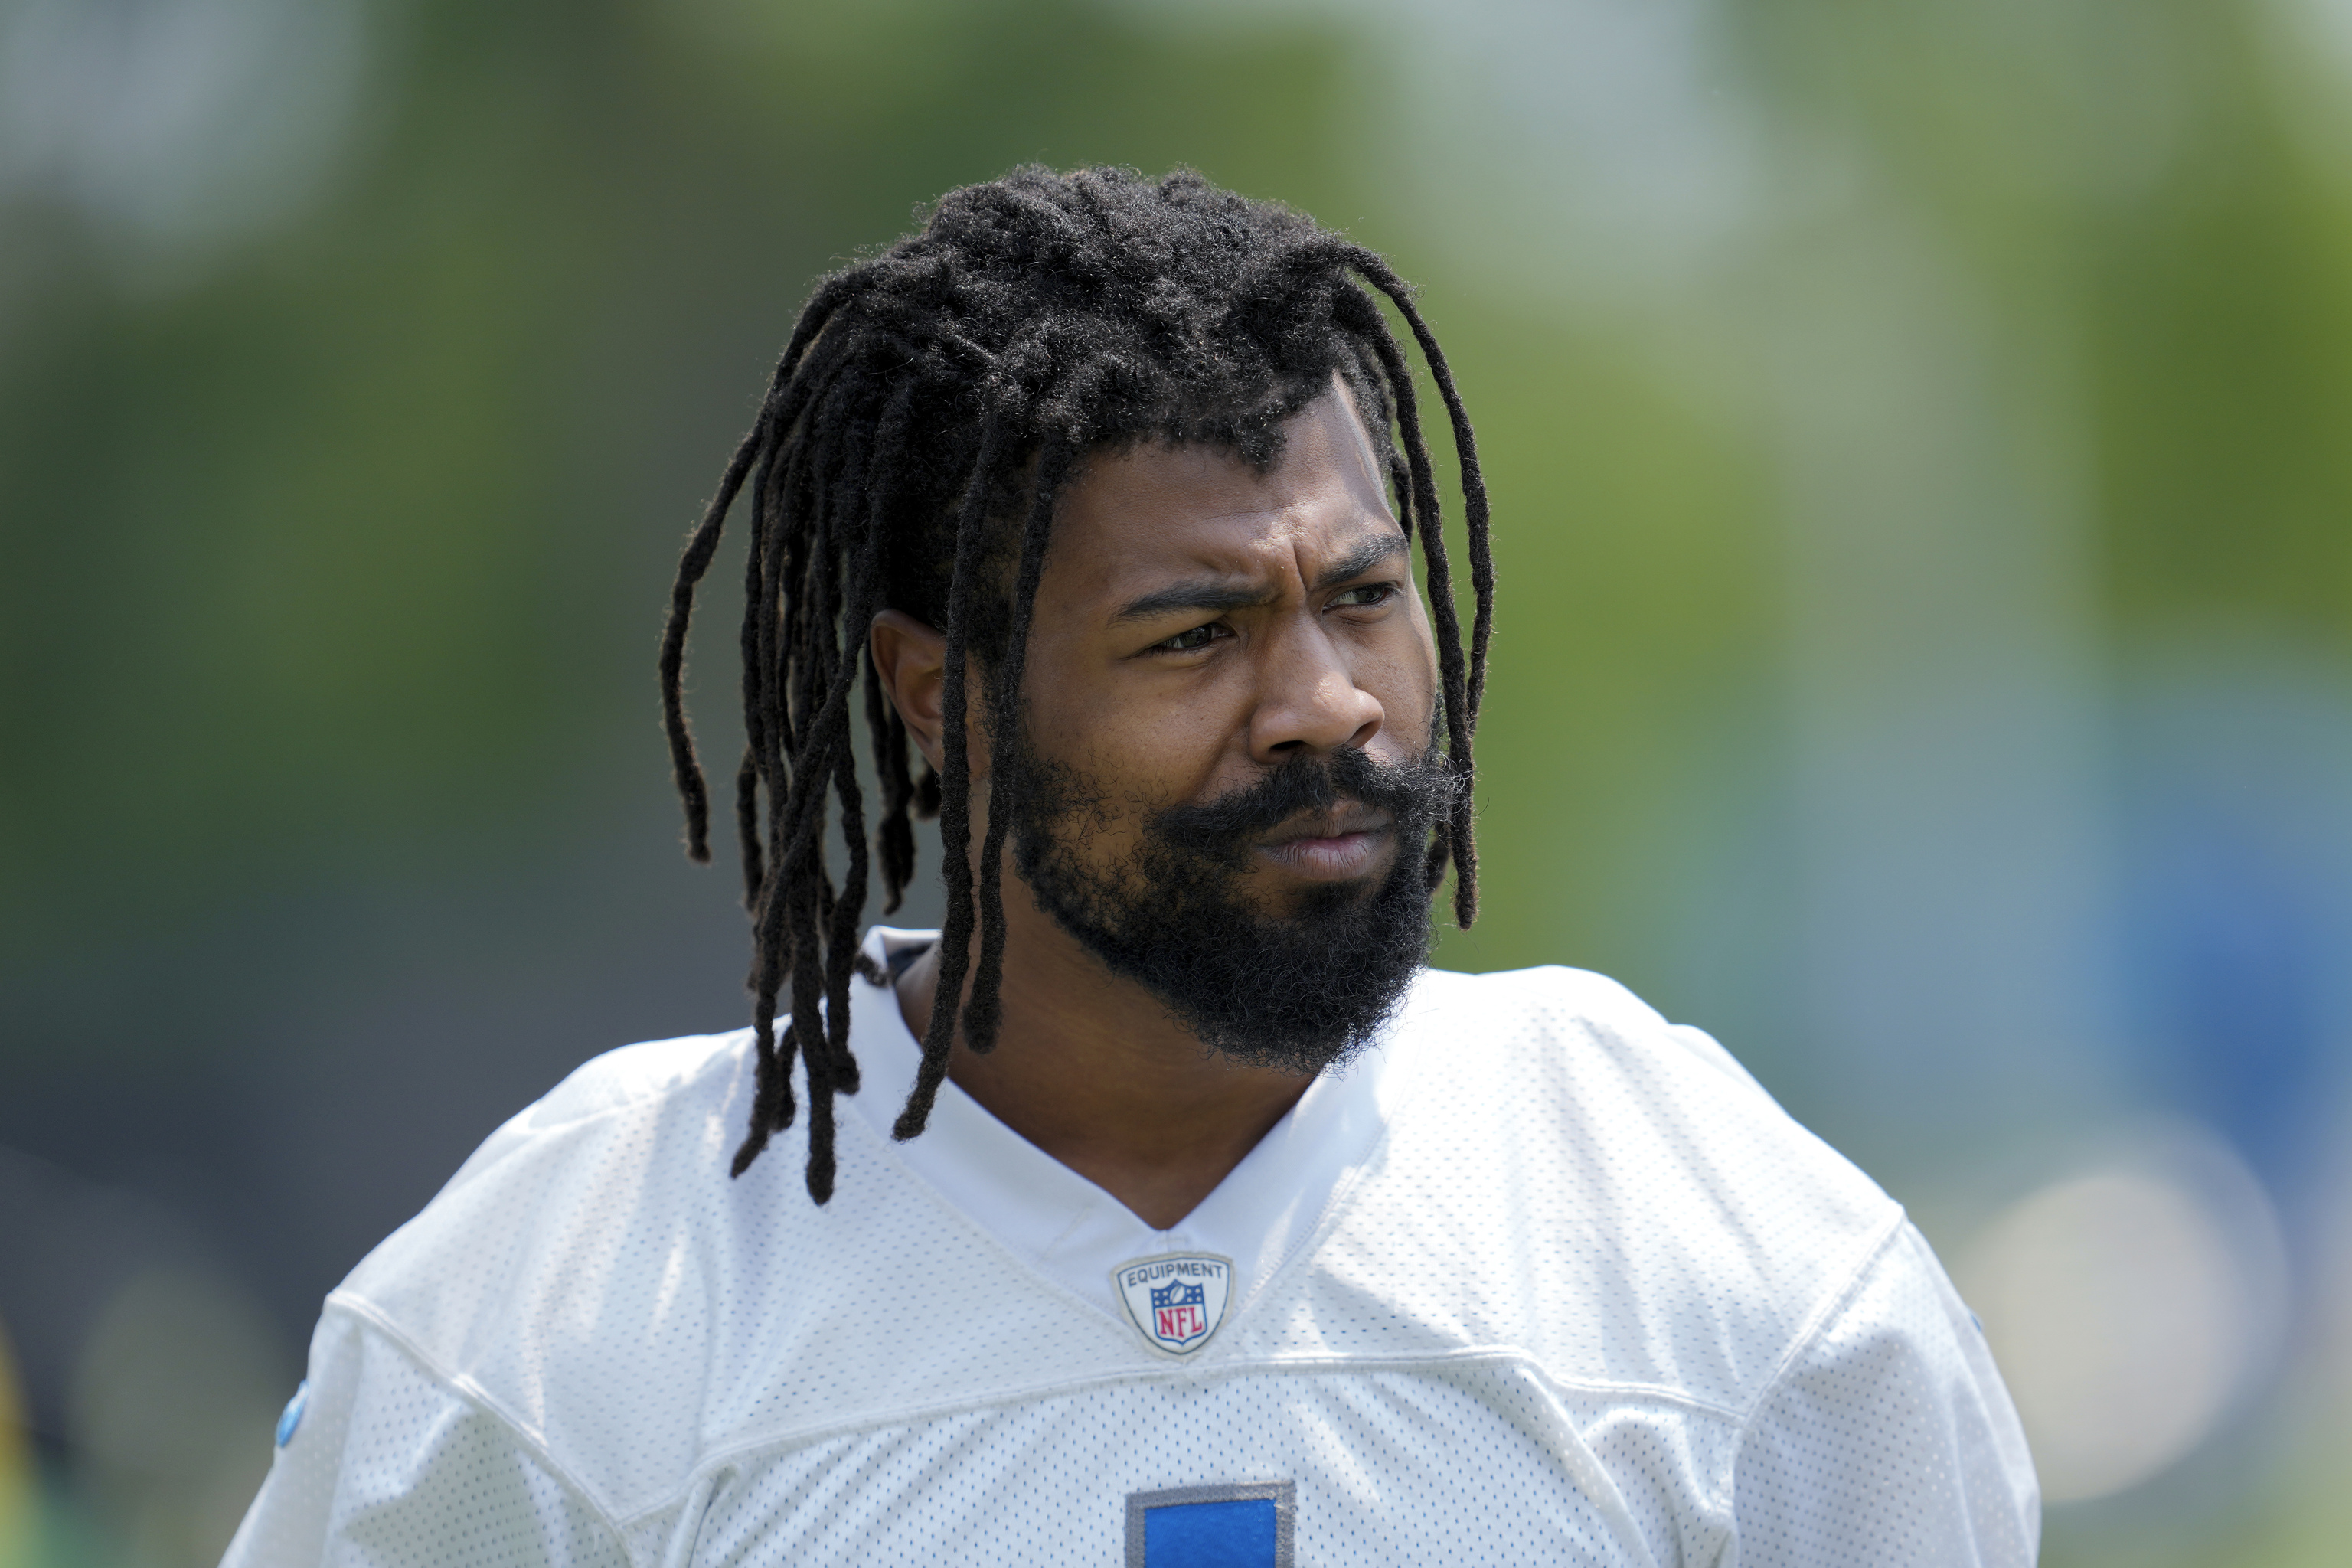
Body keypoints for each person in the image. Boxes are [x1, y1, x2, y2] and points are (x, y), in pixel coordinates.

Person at [224, 166, 2037, 1566]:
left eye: (1363, 597)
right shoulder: (573, 1304)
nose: (1323, 704)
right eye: (1194, 633)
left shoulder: (1695, 1233)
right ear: (940, 692)